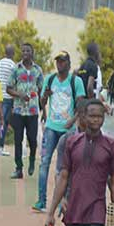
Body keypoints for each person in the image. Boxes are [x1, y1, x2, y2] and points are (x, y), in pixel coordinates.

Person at [33, 51, 84, 212]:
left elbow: (81, 105)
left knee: (65, 167)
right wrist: (45, 96)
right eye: (58, 61)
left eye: (62, 61)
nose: (59, 64)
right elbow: (42, 102)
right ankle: (41, 201)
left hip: (68, 130)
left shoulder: (76, 81)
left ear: (69, 63)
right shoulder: (50, 79)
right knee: (44, 163)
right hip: (51, 127)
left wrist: (72, 120)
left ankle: (65, 201)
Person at [6, 43, 44, 178]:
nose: (25, 53)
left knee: (32, 139)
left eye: (28, 50)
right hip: (18, 110)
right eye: (23, 51)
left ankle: (32, 160)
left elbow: (41, 89)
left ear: (32, 52)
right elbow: (8, 88)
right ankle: (18, 168)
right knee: (18, 139)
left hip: (33, 111)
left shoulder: (38, 70)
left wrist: (43, 109)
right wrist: (19, 95)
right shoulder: (16, 69)